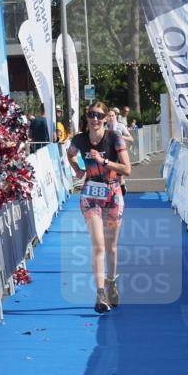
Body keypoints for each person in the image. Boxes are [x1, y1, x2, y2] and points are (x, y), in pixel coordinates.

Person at [68, 101, 132, 314]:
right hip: (90, 197)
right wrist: (77, 168)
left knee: (111, 246)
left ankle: (112, 282)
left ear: (105, 118)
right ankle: (100, 293)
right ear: (86, 118)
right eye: (91, 115)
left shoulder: (114, 138)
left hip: (113, 194)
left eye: (98, 115)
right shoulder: (79, 139)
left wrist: (104, 162)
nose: (94, 119)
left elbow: (127, 169)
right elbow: (69, 154)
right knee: (98, 245)